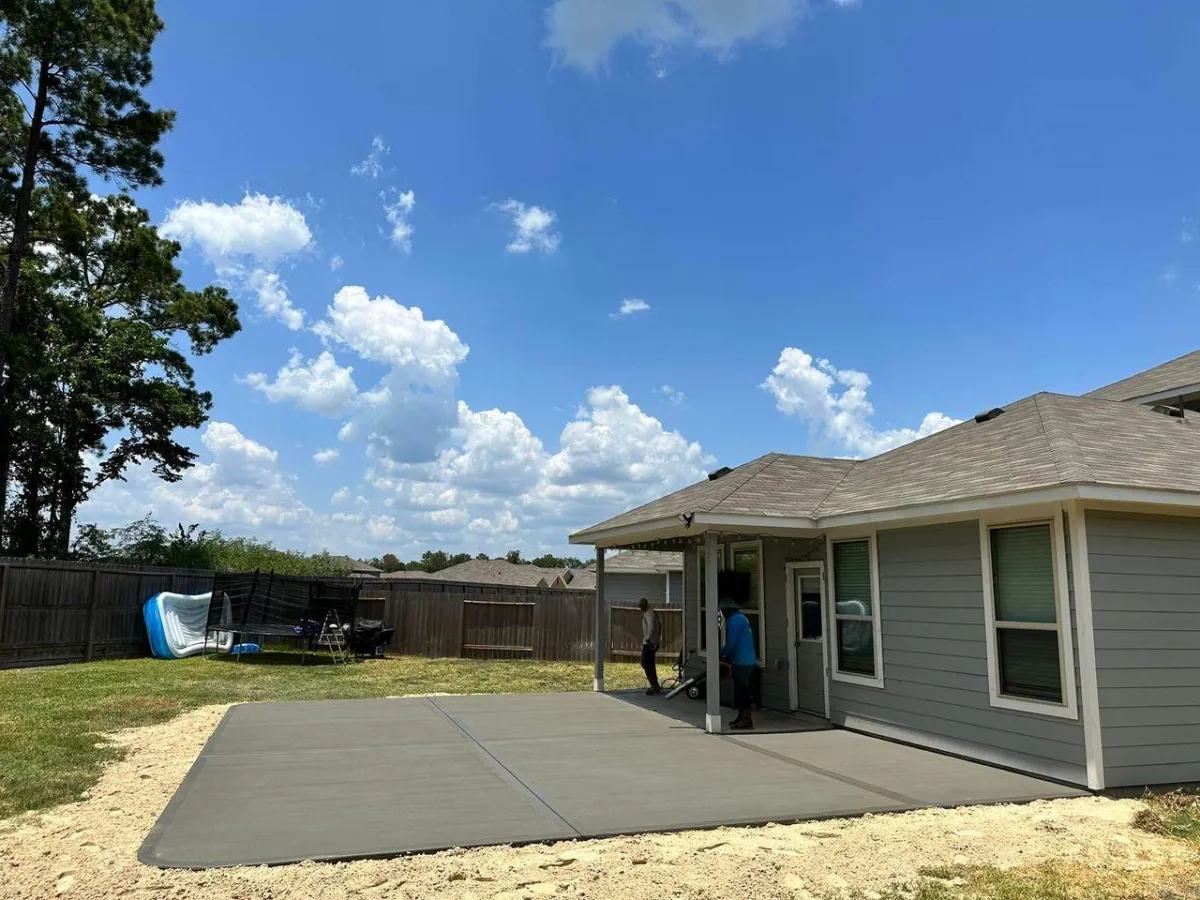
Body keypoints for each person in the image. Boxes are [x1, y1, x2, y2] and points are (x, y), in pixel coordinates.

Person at [718, 597, 756, 730]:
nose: (722, 612)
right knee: (741, 691)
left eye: (723, 609)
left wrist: (721, 652)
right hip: (748, 658)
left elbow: (731, 643)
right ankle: (741, 716)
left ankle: (746, 719)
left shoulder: (733, 621)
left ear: (728, 610)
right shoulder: (741, 617)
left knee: (742, 691)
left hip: (742, 660)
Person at [638, 597, 662, 695]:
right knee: (650, 664)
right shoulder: (650, 613)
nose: (641, 608)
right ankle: (655, 686)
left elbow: (652, 626)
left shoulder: (649, 613)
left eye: (642, 606)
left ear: (645, 605)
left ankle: (654, 686)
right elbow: (659, 626)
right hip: (652, 642)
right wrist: (657, 639)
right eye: (640, 606)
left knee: (645, 663)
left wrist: (648, 638)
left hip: (649, 643)